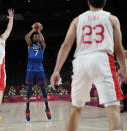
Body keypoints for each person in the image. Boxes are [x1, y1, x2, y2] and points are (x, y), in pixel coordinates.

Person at [50, 0, 127, 131]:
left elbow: (66, 45)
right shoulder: (112, 19)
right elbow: (119, 49)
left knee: (76, 108)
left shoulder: (77, 20)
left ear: (88, 2)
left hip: (81, 61)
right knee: (113, 108)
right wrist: (124, 69)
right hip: (102, 59)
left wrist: (56, 70)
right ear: (105, 2)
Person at [25, 22, 51, 121]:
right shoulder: (30, 45)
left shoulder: (42, 46)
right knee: (28, 90)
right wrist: (33, 30)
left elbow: (43, 41)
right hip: (30, 68)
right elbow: (26, 37)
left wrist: (39, 31)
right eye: (34, 36)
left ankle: (47, 108)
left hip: (39, 68)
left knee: (43, 90)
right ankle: (27, 110)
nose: (35, 36)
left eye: (37, 36)